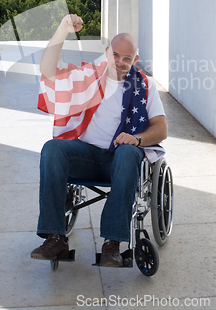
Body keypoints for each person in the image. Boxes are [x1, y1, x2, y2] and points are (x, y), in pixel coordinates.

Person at [31, 14, 167, 267]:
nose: (120, 62)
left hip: (120, 159)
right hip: (86, 155)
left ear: (135, 59)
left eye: (127, 58)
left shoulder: (144, 86)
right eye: (115, 55)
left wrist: (137, 138)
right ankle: (55, 237)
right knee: (52, 149)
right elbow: (48, 70)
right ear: (107, 53)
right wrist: (62, 30)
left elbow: (161, 129)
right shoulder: (88, 77)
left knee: (128, 152)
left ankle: (112, 244)